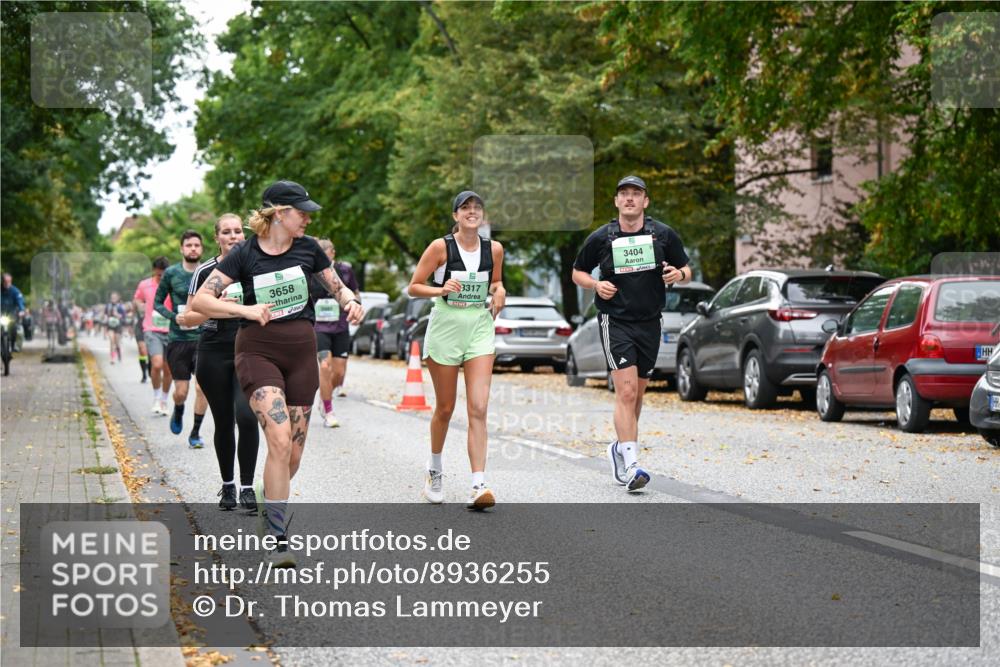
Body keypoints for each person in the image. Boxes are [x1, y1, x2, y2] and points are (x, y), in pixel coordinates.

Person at [190, 180, 363, 566]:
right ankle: (277, 538)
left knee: (293, 456)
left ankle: (270, 503)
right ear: (280, 214)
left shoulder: (308, 248)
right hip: (257, 352)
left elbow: (337, 287)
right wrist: (245, 310)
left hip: (301, 355)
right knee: (280, 441)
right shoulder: (245, 253)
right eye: (302, 212)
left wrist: (351, 300)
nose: (308, 219)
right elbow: (201, 300)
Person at [571, 176, 692, 492]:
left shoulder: (662, 234)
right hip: (616, 320)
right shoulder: (602, 237)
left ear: (645, 201)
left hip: (650, 321)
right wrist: (596, 284)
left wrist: (678, 274)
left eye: (635, 194)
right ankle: (632, 464)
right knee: (625, 392)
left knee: (636, 395)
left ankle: (619, 449)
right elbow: (577, 272)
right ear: (616, 201)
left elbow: (686, 269)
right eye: (623, 193)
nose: (629, 198)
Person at [406, 191, 506, 510]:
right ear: (456, 216)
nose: (472, 211)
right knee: (446, 408)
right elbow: (413, 287)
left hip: (479, 326)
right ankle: (434, 469)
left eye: (477, 207)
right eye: (465, 207)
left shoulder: (494, 249)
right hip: (446, 326)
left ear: (483, 215)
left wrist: (500, 291)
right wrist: (440, 289)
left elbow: (496, 282)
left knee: (478, 407)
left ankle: (478, 484)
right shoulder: (441, 247)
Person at [186, 213, 260, 511]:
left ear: (244, 235)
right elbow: (189, 317)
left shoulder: (255, 266)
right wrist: (218, 308)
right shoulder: (205, 271)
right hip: (214, 350)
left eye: (237, 231)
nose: (233, 236)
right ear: (216, 237)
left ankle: (247, 488)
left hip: (249, 349)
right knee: (224, 421)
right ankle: (228, 485)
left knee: (247, 416)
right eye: (226, 232)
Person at [154, 231, 209, 448]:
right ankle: (178, 409)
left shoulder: (210, 271)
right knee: (181, 392)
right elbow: (157, 302)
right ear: (181, 249)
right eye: (189, 245)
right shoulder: (171, 273)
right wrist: (173, 317)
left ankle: (195, 433)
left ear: (201, 248)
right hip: (178, 339)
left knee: (202, 388)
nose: (193, 248)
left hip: (203, 338)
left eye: (197, 245)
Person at [309, 239, 359, 428]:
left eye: (326, 251)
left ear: (333, 253)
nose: (322, 255)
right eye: (319, 252)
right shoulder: (311, 271)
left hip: (340, 326)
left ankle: (325, 395)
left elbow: (355, 292)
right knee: (324, 366)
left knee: (338, 372)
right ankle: (328, 410)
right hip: (319, 327)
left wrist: (355, 306)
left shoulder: (345, 270)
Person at [134, 257, 174, 414]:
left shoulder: (173, 284)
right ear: (154, 271)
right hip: (151, 329)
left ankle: (164, 400)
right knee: (157, 364)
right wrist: (141, 307)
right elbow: (137, 299)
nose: (162, 277)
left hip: (170, 330)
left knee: (168, 369)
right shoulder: (144, 285)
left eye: (164, 275)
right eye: (159, 275)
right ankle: (157, 397)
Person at [1, 273, 26, 351]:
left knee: (14, 327)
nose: (7, 283)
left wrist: (21, 310)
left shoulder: (15, 291)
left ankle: (13, 344)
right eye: (5, 281)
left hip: (12, 313)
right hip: (1, 313)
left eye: (9, 281)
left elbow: (20, 301)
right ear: (2, 281)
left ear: (11, 281)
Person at [104, 292, 127, 364]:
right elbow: (105, 314)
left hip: (118, 325)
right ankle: (112, 358)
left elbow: (124, 316)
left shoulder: (121, 306)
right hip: (110, 325)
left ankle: (118, 351)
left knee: (117, 343)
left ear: (118, 298)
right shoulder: (108, 306)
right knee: (112, 341)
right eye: (112, 297)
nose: (113, 299)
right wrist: (106, 318)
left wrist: (117, 315)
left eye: (114, 297)